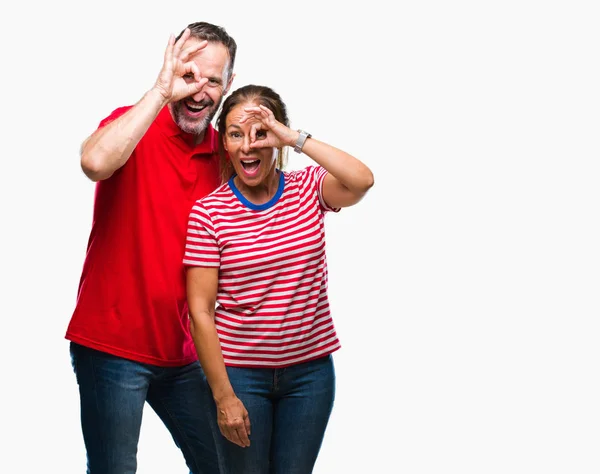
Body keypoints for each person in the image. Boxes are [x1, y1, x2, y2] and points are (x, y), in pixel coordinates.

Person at [65, 22, 237, 474]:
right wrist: (161, 91)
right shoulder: (133, 123)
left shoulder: (224, 158)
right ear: (170, 69)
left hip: (184, 352)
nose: (199, 90)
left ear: (227, 86)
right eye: (188, 74)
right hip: (112, 347)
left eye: (213, 80)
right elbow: (94, 162)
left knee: (225, 463)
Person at [183, 84, 375, 474]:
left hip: (310, 377)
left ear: (277, 137)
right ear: (225, 143)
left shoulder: (307, 189)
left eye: (260, 133)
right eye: (235, 134)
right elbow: (200, 311)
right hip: (240, 376)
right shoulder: (209, 213)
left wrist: (295, 138)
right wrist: (224, 397)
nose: (247, 146)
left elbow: (361, 181)